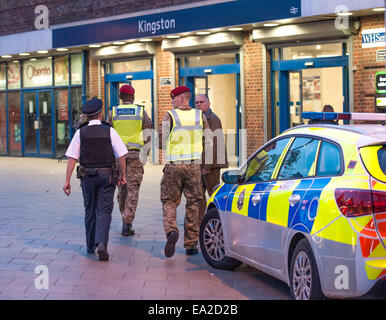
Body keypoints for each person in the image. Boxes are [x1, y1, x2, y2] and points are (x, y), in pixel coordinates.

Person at [63, 98, 128, 261]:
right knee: (104, 210)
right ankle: (102, 244)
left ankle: (90, 244)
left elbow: (72, 158)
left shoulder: (81, 132)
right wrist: (123, 175)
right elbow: (121, 155)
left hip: (87, 177)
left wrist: (67, 181)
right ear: (100, 114)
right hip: (107, 176)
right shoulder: (109, 130)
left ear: (87, 117)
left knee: (90, 209)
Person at [158, 86, 212, 258]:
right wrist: (206, 165)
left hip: (174, 166)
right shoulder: (200, 115)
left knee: (169, 200)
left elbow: (160, 141)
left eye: (173, 98)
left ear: (181, 98)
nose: (172, 102)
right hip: (194, 166)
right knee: (194, 203)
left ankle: (171, 231)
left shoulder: (170, 115)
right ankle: (191, 244)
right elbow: (210, 141)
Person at [106, 85, 153, 236]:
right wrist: (145, 153)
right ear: (132, 97)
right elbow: (148, 133)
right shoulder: (140, 111)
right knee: (133, 189)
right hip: (135, 155)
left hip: (117, 156)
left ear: (120, 97)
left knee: (122, 188)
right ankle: (127, 222)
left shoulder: (112, 112)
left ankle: (125, 219)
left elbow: (107, 134)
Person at [195, 94, 228, 225]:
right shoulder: (199, 119)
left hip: (211, 166)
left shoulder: (213, 119)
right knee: (199, 197)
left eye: (201, 102)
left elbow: (212, 144)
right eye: (196, 102)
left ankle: (217, 221)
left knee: (213, 195)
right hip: (201, 164)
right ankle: (201, 223)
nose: (198, 105)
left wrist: (207, 167)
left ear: (208, 103)